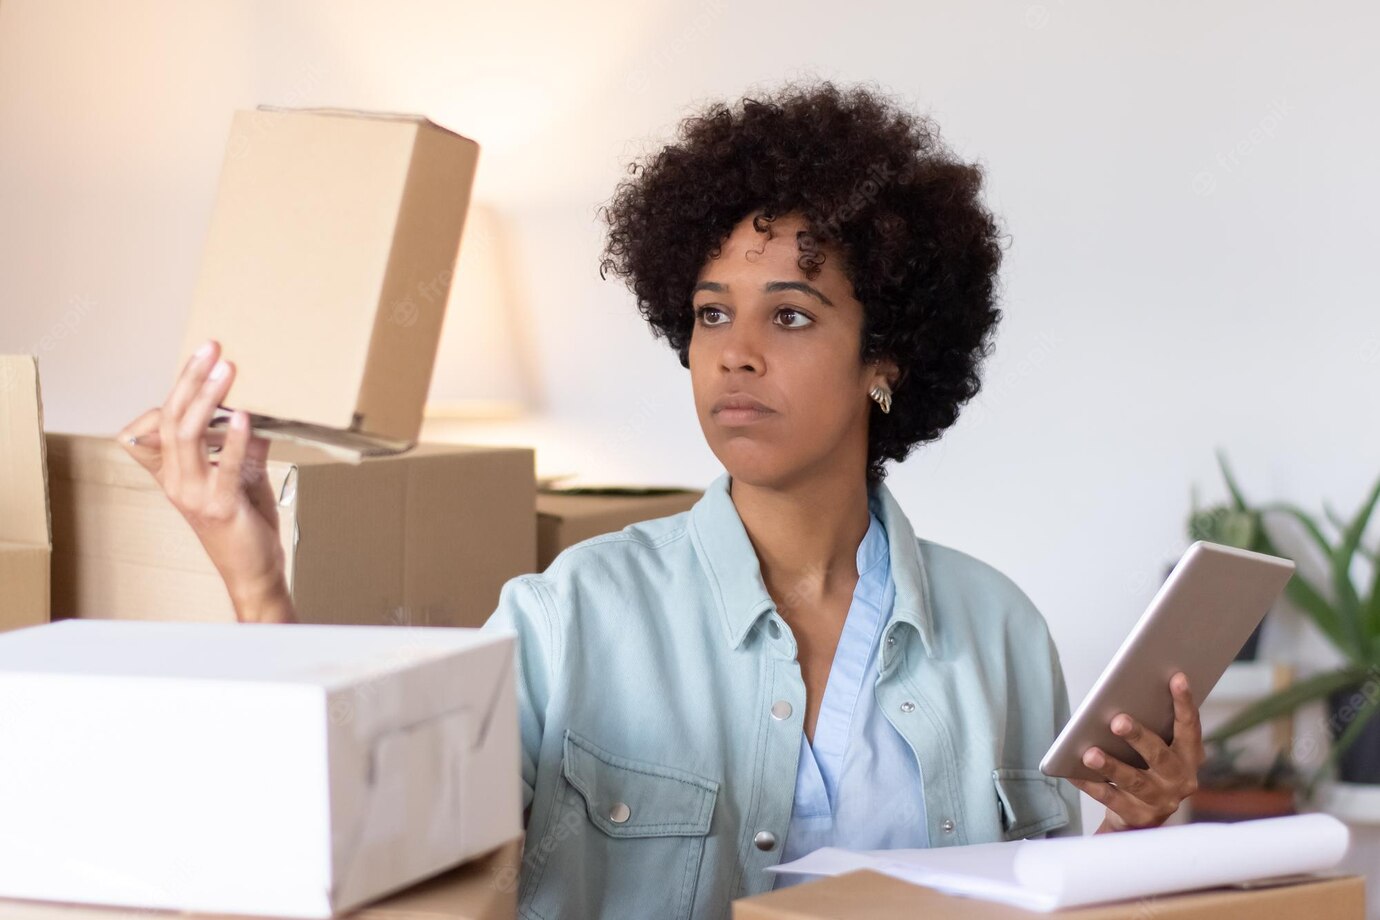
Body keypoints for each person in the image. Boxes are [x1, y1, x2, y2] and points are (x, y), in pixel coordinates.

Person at [119, 81, 1204, 920]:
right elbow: (365, 839)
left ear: (889, 357)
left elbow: (1049, 892)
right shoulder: (570, 616)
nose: (732, 355)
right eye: (707, 314)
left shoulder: (1000, 630)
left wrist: (1139, 830)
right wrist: (251, 572)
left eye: (788, 316)